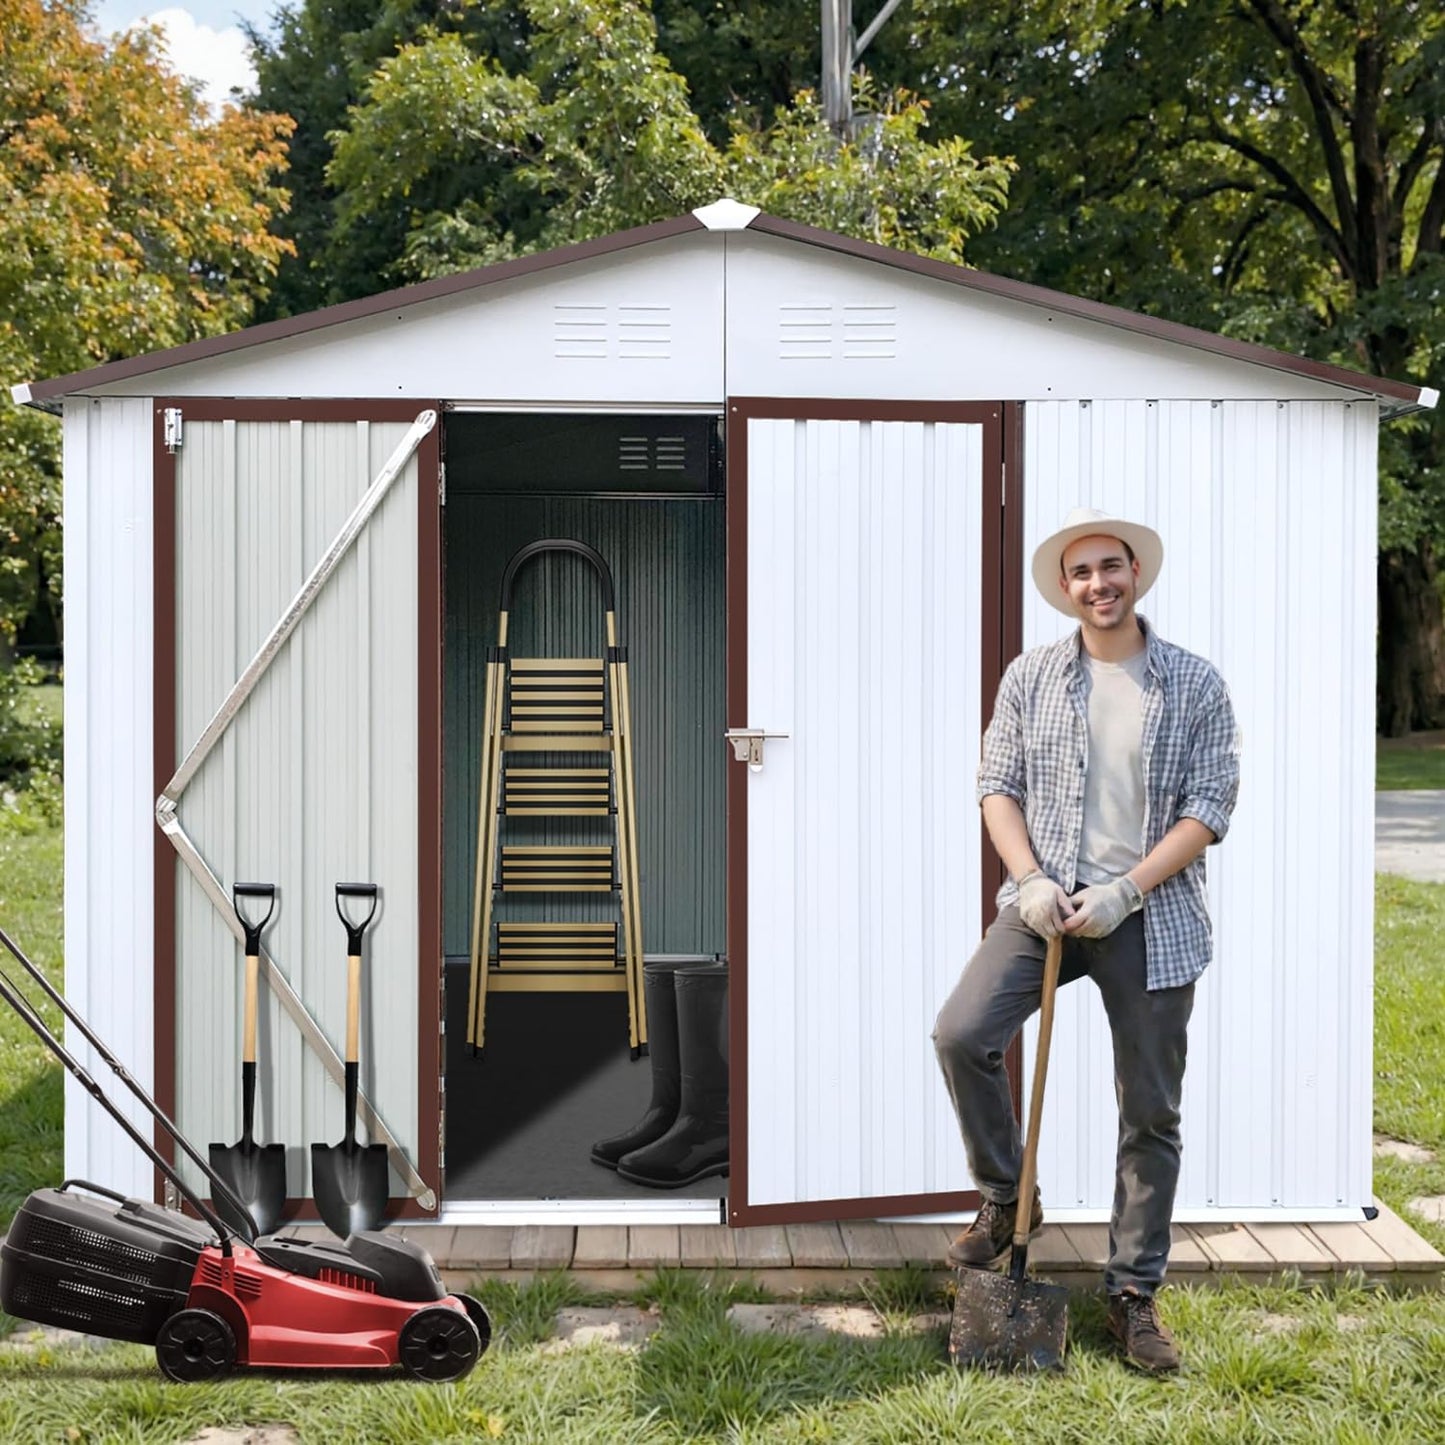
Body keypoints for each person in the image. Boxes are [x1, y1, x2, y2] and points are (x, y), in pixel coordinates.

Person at [932, 507, 1240, 1373]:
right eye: (1080, 573)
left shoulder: (1192, 682)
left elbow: (1208, 808)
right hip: (1044, 908)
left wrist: (1124, 889)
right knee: (962, 1033)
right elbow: (997, 785)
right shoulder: (1031, 676)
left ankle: (1132, 1293)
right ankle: (1004, 1200)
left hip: (1149, 915)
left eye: (1111, 567)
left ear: (1134, 573)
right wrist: (1029, 879)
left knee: (1149, 1110)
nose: (1097, 583)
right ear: (1065, 588)